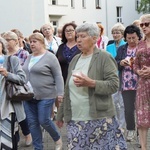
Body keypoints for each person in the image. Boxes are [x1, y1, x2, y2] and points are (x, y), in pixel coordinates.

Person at [56, 22, 127, 149]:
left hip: (98, 119)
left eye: (83, 36)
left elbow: (114, 85)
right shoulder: (75, 59)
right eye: (77, 37)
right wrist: (60, 114)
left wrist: (91, 83)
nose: (78, 40)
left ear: (95, 38)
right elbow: (68, 90)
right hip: (74, 120)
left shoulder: (104, 57)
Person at [22, 33, 64, 150]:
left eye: (35, 41)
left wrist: (60, 93)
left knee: (44, 120)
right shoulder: (29, 57)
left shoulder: (50, 57)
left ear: (42, 42)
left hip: (46, 94)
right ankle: (38, 147)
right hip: (28, 96)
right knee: (32, 123)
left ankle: (57, 138)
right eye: (31, 41)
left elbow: (58, 76)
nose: (32, 44)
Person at [3, 31, 32, 146]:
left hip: (16, 89)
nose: (5, 42)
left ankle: (27, 134)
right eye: (3, 39)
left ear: (16, 41)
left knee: (20, 115)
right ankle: (15, 137)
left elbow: (24, 74)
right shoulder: (3, 57)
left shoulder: (22, 54)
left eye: (8, 39)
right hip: (4, 92)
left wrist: (8, 74)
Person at [115, 25, 142, 141]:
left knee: (141, 109)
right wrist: (120, 63)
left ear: (138, 37)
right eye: (129, 38)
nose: (131, 40)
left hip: (141, 83)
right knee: (128, 109)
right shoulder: (122, 49)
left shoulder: (143, 47)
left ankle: (141, 134)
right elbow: (115, 62)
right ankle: (130, 130)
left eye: (133, 38)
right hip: (126, 84)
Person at [0, 37, 26, 149]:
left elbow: (22, 78)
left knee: (9, 141)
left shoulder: (11, 60)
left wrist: (7, 74)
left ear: (2, 45)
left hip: (8, 107)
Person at [133, 14, 150, 150]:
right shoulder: (141, 43)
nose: (144, 27)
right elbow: (135, 64)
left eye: (147, 24)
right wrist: (139, 72)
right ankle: (144, 148)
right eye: (142, 25)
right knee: (142, 117)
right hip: (143, 84)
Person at [106, 23, 126, 131]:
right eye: (113, 32)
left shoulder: (126, 45)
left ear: (122, 34)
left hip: (123, 76)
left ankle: (122, 125)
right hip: (111, 76)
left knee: (122, 103)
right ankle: (115, 123)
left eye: (117, 32)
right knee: (113, 101)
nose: (115, 34)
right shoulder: (109, 47)